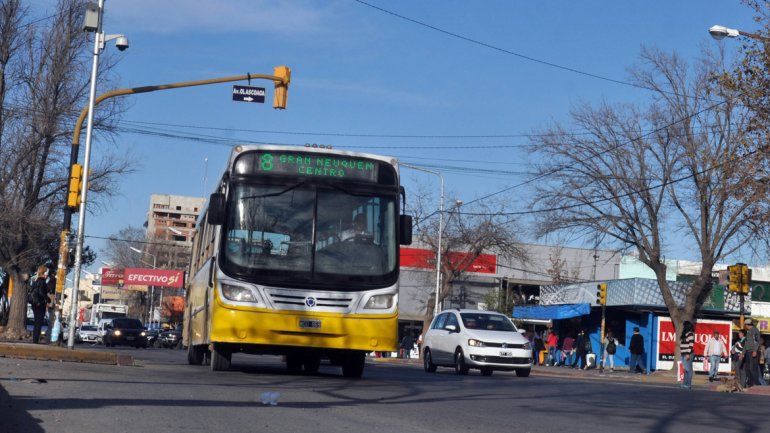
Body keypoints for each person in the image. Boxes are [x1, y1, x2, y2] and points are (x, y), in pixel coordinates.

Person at [27, 266, 51, 344]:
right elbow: (41, 292)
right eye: (47, 273)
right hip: (40, 304)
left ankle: (35, 339)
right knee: (39, 322)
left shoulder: (35, 280)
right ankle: (36, 340)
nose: (47, 275)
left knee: (36, 322)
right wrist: (47, 299)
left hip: (34, 303)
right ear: (44, 273)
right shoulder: (42, 281)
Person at [743, 319, 761, 388]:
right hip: (748, 352)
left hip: (753, 352)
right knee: (747, 368)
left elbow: (757, 341)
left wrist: (755, 350)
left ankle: (757, 384)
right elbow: (746, 343)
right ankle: (750, 383)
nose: (745, 326)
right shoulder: (748, 331)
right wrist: (743, 353)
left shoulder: (755, 330)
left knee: (753, 368)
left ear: (747, 325)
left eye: (745, 325)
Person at [679, 321, 695, 390]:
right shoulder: (685, 334)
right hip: (683, 354)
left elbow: (691, 344)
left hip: (688, 354)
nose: (683, 327)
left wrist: (688, 353)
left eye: (684, 325)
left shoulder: (690, 334)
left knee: (688, 369)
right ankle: (685, 384)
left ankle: (688, 385)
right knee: (685, 370)